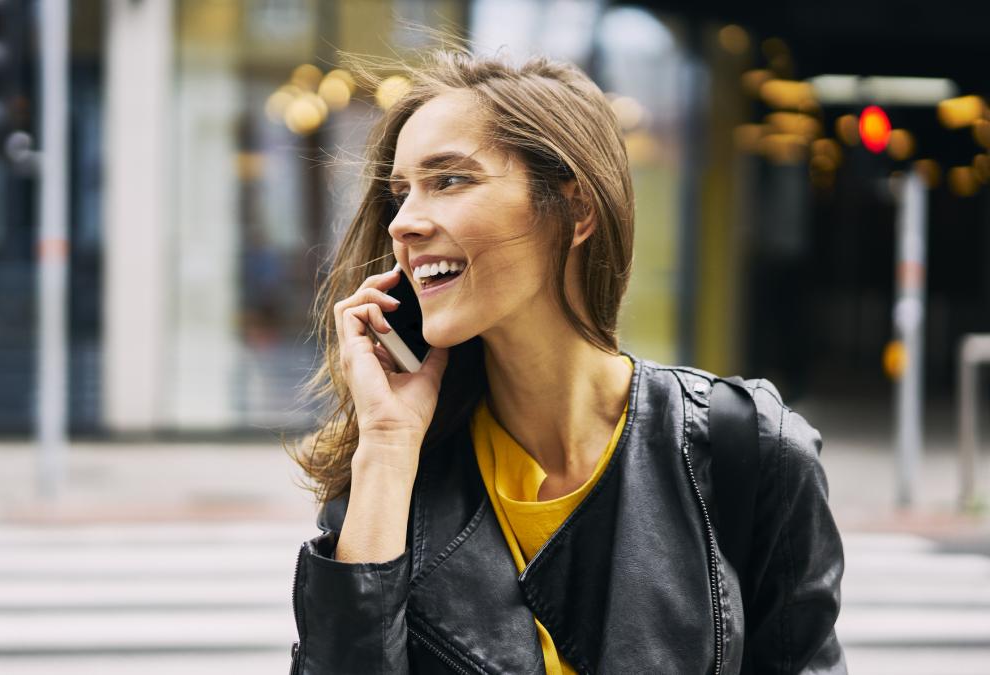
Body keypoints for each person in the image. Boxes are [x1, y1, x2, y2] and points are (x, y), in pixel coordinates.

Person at [286, 45, 845, 675]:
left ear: (576, 209)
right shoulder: (388, 473)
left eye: (449, 180)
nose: (404, 223)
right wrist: (387, 449)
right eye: (401, 193)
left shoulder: (748, 450)